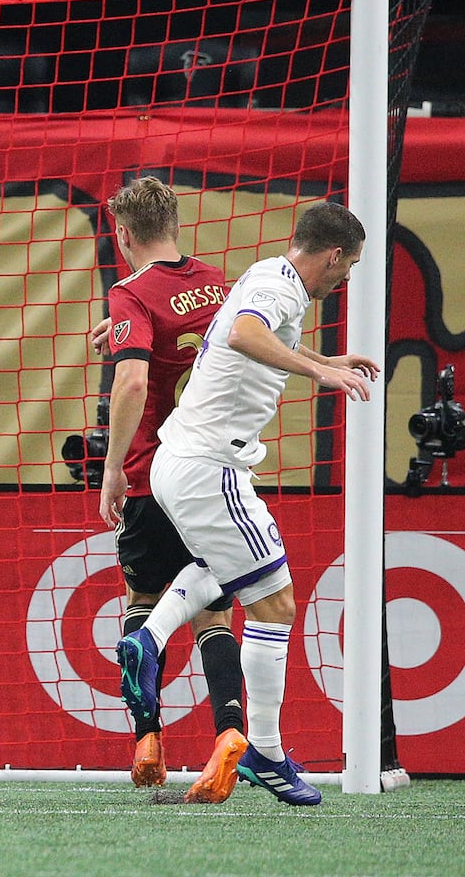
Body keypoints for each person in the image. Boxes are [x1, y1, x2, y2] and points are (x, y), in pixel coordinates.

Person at [116, 200, 379, 805]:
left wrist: (324, 359)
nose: (346, 279)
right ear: (333, 255)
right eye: (351, 265)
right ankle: (263, 749)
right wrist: (320, 376)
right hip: (212, 467)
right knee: (277, 605)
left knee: (223, 573)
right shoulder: (280, 292)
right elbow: (242, 334)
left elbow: (239, 338)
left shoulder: (266, 276)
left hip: (176, 463)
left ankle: (148, 640)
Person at [95, 176, 248, 803]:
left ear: (124, 234)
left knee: (142, 604)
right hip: (216, 475)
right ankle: (229, 733)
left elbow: (133, 383)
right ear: (177, 223)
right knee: (213, 612)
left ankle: (148, 739)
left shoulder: (130, 292)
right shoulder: (223, 285)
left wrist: (111, 469)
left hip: (155, 475)